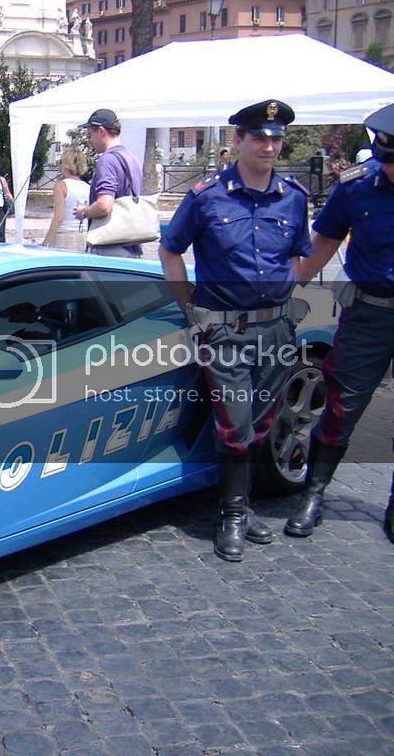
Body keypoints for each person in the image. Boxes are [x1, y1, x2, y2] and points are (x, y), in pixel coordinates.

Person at [159, 99, 311, 562]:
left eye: (276, 138)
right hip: (224, 331)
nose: (269, 145)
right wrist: (189, 308)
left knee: (262, 420)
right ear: (239, 140)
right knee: (235, 425)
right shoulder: (207, 196)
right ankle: (230, 514)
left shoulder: (293, 197)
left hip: (277, 331)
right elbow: (170, 250)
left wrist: (288, 297)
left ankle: (243, 510)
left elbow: (299, 254)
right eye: (259, 137)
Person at [285, 103, 394, 544]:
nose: (388, 170)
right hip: (369, 314)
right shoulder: (357, 188)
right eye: (384, 160)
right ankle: (313, 493)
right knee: (340, 408)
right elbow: (324, 241)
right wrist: (286, 292)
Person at [73, 108, 145, 258]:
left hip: (110, 246)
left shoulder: (108, 160)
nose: (88, 139)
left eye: (89, 134)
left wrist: (84, 212)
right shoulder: (131, 158)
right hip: (131, 244)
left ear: (101, 131)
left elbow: (105, 204)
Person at [41, 147, 90, 250]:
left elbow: (59, 217)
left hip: (64, 234)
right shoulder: (88, 187)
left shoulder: (61, 186)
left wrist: (46, 242)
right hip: (84, 234)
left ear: (66, 165)